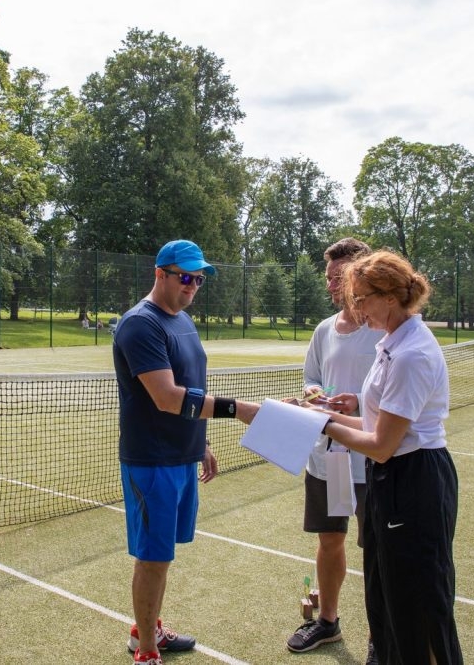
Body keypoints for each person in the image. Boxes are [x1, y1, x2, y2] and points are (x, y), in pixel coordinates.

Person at [316, 249, 463, 664]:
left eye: (362, 298)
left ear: (391, 297)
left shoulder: (411, 353)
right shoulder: (391, 343)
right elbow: (380, 425)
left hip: (414, 479)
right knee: (389, 593)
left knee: (420, 599)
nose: (357, 308)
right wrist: (332, 413)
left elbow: (383, 443)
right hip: (391, 477)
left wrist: (322, 425)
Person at [113, 239, 255, 665]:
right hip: (151, 460)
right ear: (160, 274)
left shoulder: (183, 321)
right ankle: (147, 652)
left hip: (181, 454)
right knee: (153, 557)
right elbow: (168, 397)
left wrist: (202, 442)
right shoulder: (140, 324)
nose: (193, 286)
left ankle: (147, 629)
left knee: (163, 555)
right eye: (186, 277)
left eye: (199, 279)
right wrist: (239, 410)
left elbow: (193, 384)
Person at [286, 239, 385, 660]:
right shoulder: (324, 329)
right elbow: (312, 376)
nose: (332, 285)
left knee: (380, 554)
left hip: (375, 459)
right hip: (326, 459)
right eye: (328, 278)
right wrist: (313, 391)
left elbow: (393, 397)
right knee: (330, 541)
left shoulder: (384, 330)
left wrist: (358, 404)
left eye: (339, 277)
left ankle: (381, 638)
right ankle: (327, 621)